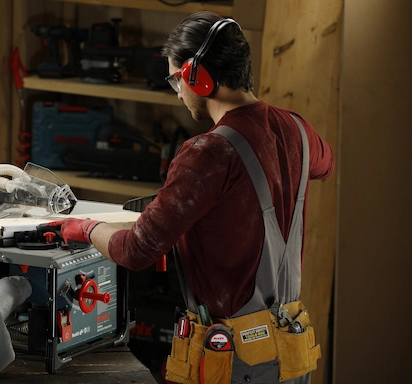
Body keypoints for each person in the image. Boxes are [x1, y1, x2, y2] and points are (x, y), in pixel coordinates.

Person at [47, 11, 334, 384]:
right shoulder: (297, 129)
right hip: (289, 354)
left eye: (175, 79)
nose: (178, 91)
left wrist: (84, 227)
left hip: (234, 362)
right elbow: (323, 164)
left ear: (197, 78)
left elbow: (136, 250)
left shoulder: (208, 152)